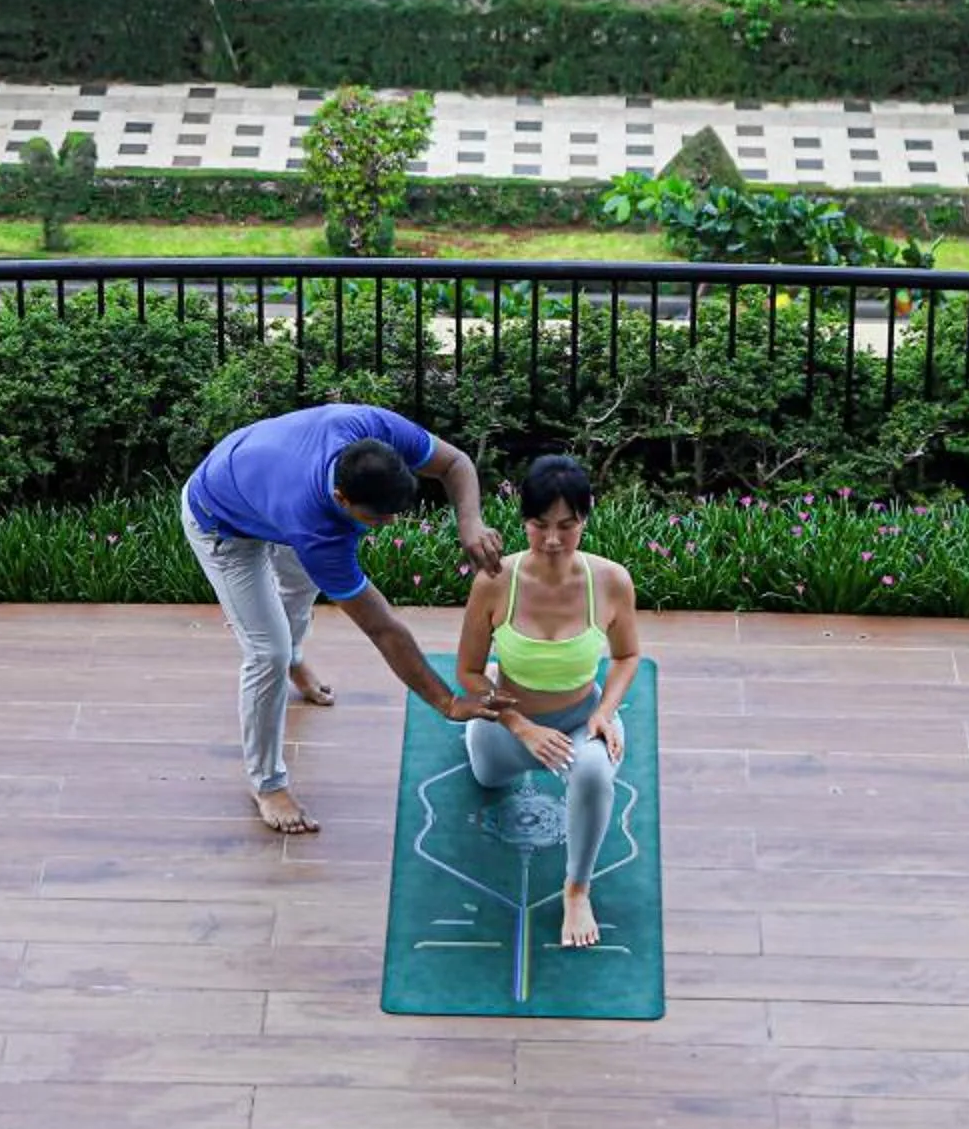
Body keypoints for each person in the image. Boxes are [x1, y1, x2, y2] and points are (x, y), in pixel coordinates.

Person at [182, 402, 506, 834]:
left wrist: (471, 522)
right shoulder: (317, 529)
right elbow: (382, 627)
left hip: (262, 485)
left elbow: (455, 462)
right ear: (341, 498)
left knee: (298, 589)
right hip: (220, 520)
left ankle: (295, 658)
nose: (389, 524)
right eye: (377, 517)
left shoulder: (370, 428)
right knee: (267, 653)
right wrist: (446, 702)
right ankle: (268, 785)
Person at [453, 454, 644, 949]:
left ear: (586, 518)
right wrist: (518, 725)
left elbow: (627, 656)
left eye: (567, 525)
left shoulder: (611, 581)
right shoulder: (496, 581)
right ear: (523, 521)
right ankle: (489, 727)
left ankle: (576, 888)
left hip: (579, 718)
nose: (554, 540)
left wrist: (604, 713)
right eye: (540, 525)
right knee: (488, 779)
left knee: (595, 773)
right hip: (506, 726)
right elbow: (467, 673)